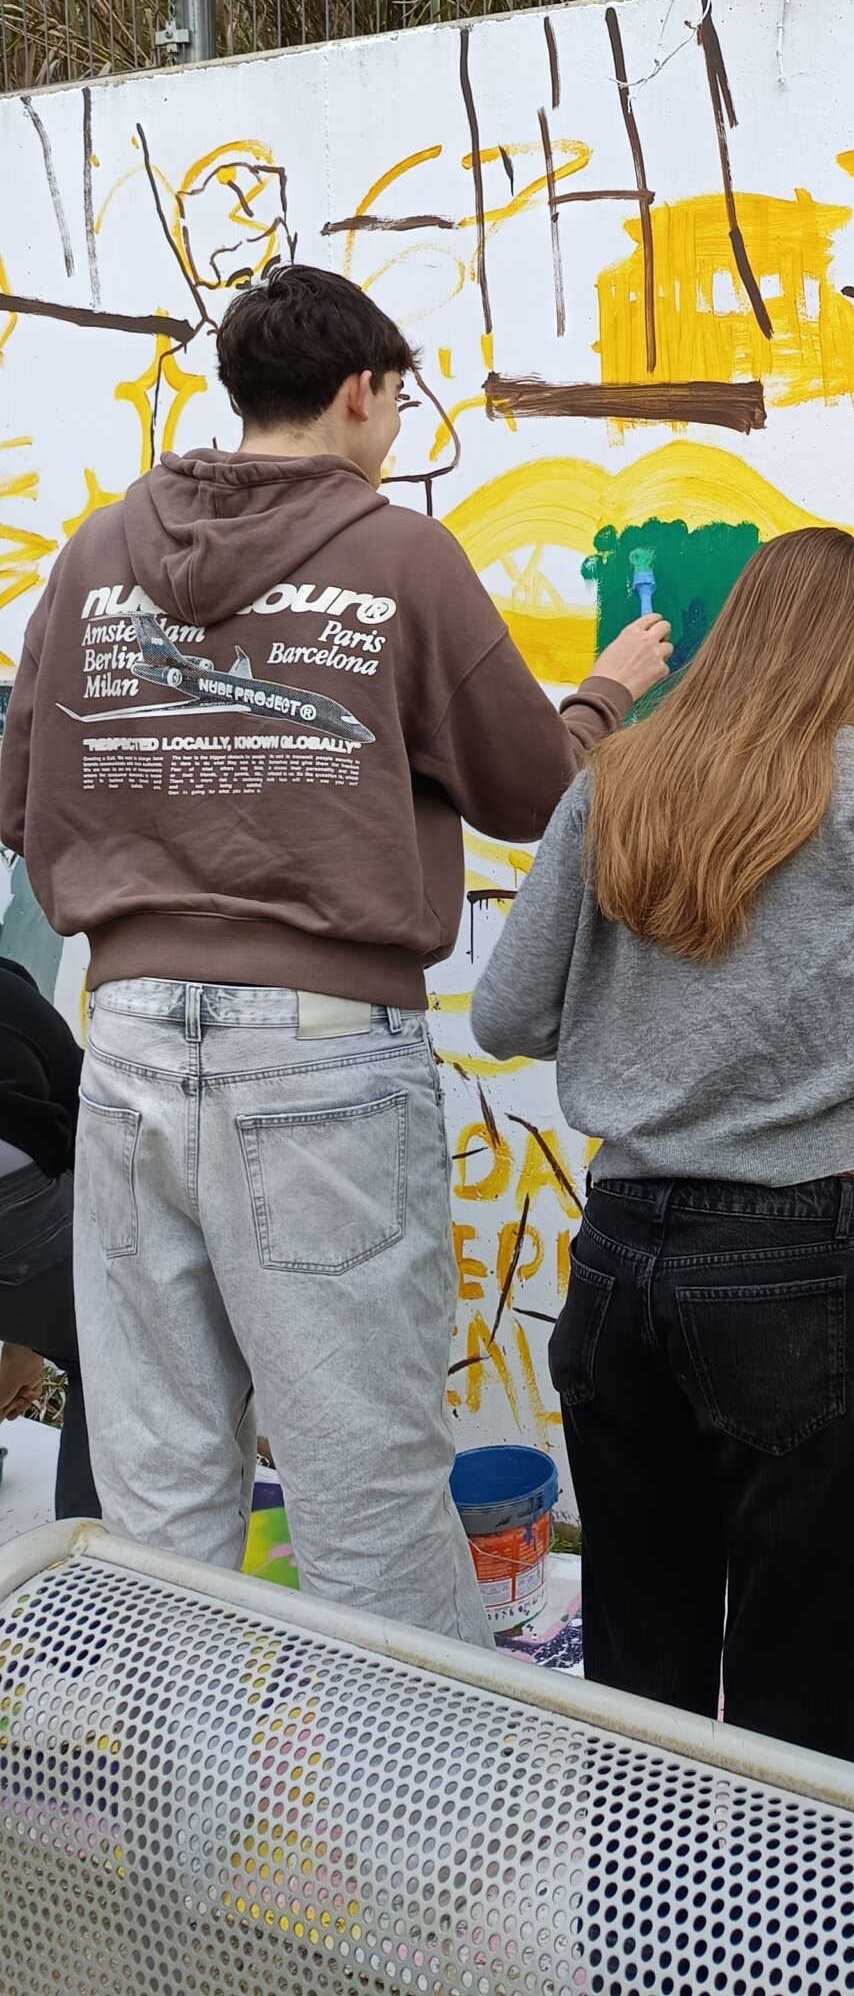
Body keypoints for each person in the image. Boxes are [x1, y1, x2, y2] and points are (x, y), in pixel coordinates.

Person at [0, 262, 670, 1643]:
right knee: (364, 1497)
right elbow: (530, 789)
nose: (398, 429)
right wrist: (603, 697)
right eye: (399, 402)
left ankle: (178, 1796)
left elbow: (24, 798)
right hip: (317, 1064)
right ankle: (422, 1801)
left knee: (159, 1500)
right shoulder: (396, 555)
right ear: (359, 391)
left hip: (127, 1047)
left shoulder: (97, 553)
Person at [471, 526, 854, 1763]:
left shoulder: (618, 777)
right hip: (796, 1260)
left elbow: (503, 1017)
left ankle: (641, 1891)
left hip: (620, 1259)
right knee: (800, 1689)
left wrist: (640, 1018)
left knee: (639, 1674)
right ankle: (779, 1898)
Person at [0, 941, 98, 1521]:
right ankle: (101, 1563)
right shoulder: (16, 998)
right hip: (17, 1196)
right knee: (111, 1352)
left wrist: (22, 1348)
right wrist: (33, 1340)